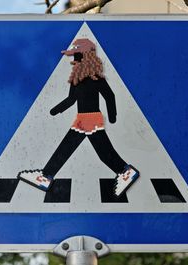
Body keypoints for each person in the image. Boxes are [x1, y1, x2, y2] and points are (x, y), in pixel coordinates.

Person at [18, 38, 139, 197]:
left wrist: (113, 116)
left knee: (82, 150)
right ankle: (46, 176)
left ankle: (125, 171)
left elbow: (110, 95)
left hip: (91, 119)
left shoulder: (96, 77)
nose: (74, 61)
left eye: (76, 56)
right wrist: (55, 110)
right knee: (88, 150)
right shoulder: (77, 78)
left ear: (86, 56)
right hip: (82, 119)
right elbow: (71, 99)